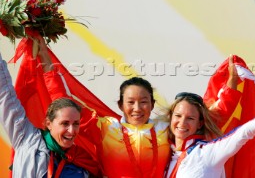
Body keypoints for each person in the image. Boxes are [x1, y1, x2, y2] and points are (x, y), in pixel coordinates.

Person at [32, 38, 243, 178]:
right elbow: (64, 100)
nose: (137, 108)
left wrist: (232, 84)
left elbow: (212, 116)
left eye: (144, 102)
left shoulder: (165, 128)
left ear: (152, 104)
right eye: (130, 102)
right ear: (120, 105)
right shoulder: (105, 127)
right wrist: (44, 59)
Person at [0, 52, 101, 177]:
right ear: (49, 123)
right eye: (65, 123)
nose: (71, 130)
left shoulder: (83, 161)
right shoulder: (27, 139)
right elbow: (5, 93)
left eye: (76, 124)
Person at [165, 90, 255, 178]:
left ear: (200, 124)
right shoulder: (165, 155)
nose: (182, 122)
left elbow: (244, 132)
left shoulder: (209, 152)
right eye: (178, 115)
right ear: (171, 117)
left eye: (190, 118)